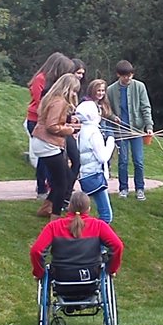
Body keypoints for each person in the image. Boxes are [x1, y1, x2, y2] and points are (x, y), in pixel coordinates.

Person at [30, 190, 124, 280]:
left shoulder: (54, 226)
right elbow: (117, 246)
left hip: (61, 276)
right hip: (92, 275)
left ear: (69, 207)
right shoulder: (98, 226)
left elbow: (36, 251)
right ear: (88, 209)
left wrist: (39, 273)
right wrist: (111, 269)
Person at [27, 53, 76, 201]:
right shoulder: (41, 79)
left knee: (56, 161)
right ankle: (43, 188)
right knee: (45, 158)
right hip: (38, 121)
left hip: (54, 123)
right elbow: (42, 103)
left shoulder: (57, 86)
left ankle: (54, 191)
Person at [32, 73, 81, 218]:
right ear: (67, 89)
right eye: (73, 91)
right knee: (62, 183)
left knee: (63, 178)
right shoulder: (60, 102)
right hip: (48, 144)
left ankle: (46, 208)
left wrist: (67, 122)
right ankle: (55, 217)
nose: (74, 94)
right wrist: (70, 130)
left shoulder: (50, 98)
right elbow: (52, 126)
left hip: (42, 141)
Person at [105, 60, 154, 201]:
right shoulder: (111, 90)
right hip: (121, 131)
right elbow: (107, 110)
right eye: (125, 76)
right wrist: (113, 117)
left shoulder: (140, 87)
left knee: (138, 161)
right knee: (123, 161)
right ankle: (123, 188)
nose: (128, 78)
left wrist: (149, 126)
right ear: (118, 75)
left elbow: (145, 107)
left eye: (130, 75)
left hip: (136, 130)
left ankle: (140, 189)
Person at [75, 82, 116, 223]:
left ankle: (86, 233)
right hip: (94, 175)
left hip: (86, 174)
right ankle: (97, 237)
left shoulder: (83, 130)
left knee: (86, 213)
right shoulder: (93, 133)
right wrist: (111, 141)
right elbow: (103, 157)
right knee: (106, 215)